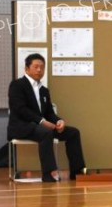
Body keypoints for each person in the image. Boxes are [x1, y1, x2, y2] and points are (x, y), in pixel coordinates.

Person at [7, 53, 86, 182]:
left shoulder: (44, 90)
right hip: (22, 127)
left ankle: (77, 172)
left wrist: (59, 121)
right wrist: (42, 121)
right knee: (46, 133)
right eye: (36, 66)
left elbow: (49, 112)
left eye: (42, 67)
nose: (39, 70)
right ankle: (49, 174)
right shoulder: (17, 85)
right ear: (26, 69)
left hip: (40, 127)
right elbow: (20, 109)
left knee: (73, 133)